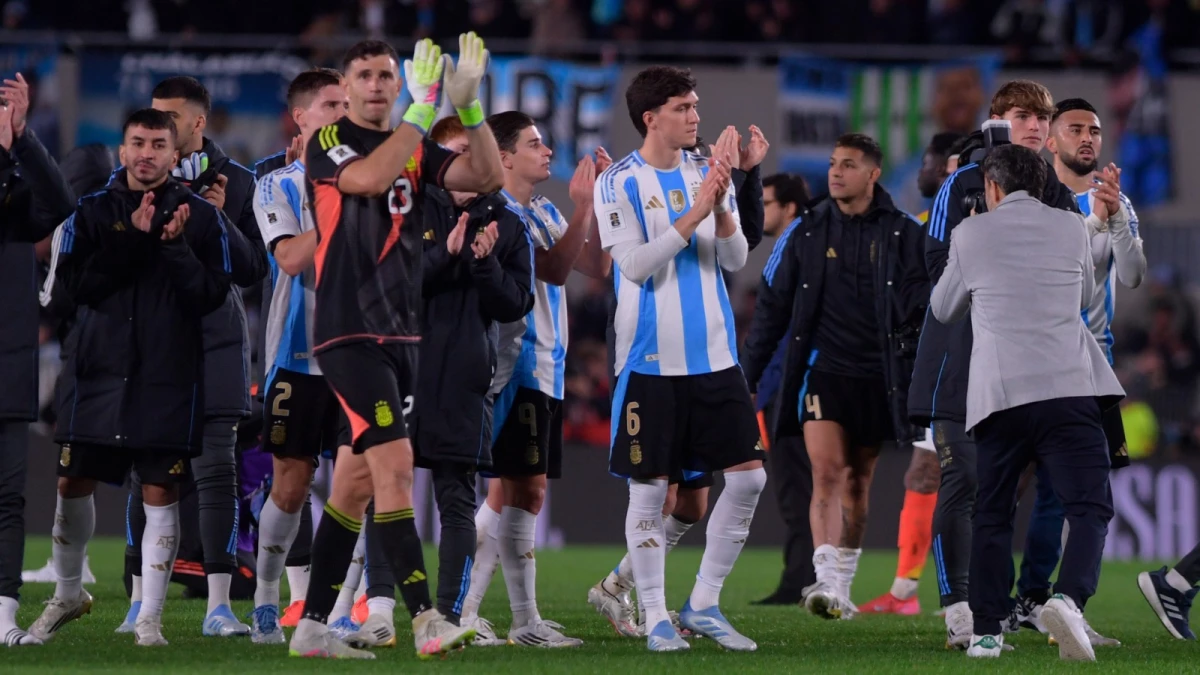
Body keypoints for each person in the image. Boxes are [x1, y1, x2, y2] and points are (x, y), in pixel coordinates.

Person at [286, 35, 504, 660]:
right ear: (347, 87)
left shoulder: (414, 140)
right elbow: (371, 178)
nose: (379, 85)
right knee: (397, 469)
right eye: (367, 75)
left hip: (403, 335)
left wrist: (469, 111)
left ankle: (312, 629)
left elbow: (486, 175)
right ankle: (426, 619)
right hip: (350, 330)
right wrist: (419, 110)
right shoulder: (331, 142)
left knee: (354, 487)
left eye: (388, 74)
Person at [29, 108, 235, 647]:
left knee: (160, 489)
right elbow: (73, 294)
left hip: (167, 376)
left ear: (175, 154)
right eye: (137, 143)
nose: (146, 153)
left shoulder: (201, 218)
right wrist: (133, 239)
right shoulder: (89, 214)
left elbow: (212, 296)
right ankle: (68, 592)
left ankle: (150, 620)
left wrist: (172, 247)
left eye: (158, 144)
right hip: (97, 372)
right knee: (71, 483)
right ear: (122, 151)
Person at [929, 143, 1123, 661]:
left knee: (992, 512)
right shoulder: (1069, 226)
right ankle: (1068, 598)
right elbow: (1084, 298)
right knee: (1089, 507)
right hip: (1068, 388)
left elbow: (943, 308)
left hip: (1001, 396)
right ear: (1040, 184)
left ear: (992, 187)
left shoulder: (970, 233)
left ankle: (988, 632)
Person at [908, 80, 1082, 647]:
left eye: (1042, 117)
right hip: (962, 358)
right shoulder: (962, 181)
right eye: (1023, 115)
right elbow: (935, 264)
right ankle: (958, 603)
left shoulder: (1054, 189)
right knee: (968, 478)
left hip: (1028, 361)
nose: (1035, 125)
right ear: (997, 119)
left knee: (1013, 488)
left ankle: (1006, 605)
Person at [598, 65, 766, 653]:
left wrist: (722, 203)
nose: (697, 116)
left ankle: (703, 603)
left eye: (696, 106)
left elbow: (735, 258)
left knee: (749, 481)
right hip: (651, 360)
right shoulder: (617, 182)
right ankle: (656, 617)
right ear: (652, 118)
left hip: (717, 358)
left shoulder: (705, 169)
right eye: (685, 107)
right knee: (650, 495)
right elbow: (636, 266)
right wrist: (695, 209)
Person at [353, 114, 535, 649]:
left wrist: (482, 266)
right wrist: (447, 254)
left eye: (470, 156)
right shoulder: (406, 208)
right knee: (388, 491)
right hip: (403, 369)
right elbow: (389, 286)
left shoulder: (508, 223)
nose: (464, 167)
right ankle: (380, 611)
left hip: (463, 376)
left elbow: (516, 304)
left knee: (456, 500)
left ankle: (450, 615)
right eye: (454, 155)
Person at [741, 133, 928, 622]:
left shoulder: (904, 233)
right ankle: (823, 580)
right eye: (832, 163)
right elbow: (772, 312)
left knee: (856, 485)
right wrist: (747, 378)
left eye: (848, 164)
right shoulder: (804, 232)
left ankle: (841, 584)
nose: (836, 172)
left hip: (878, 377)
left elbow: (926, 308)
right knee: (824, 471)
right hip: (823, 371)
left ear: (873, 174)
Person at [119, 75, 270, 638]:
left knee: (217, 472)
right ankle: (138, 600)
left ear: (198, 122)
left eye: (172, 118)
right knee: (145, 471)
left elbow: (257, 266)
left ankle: (220, 606)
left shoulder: (242, 183)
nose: (159, 128)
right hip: (153, 343)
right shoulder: (132, 180)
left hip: (215, 340)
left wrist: (219, 219)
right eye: (152, 117)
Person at [1009, 97, 1143, 647]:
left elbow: (1131, 276)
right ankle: (1000, 602)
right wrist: (1095, 223)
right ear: (1053, 139)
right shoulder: (1042, 202)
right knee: (1011, 485)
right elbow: (1075, 287)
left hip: (1096, 365)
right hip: (1038, 357)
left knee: (1063, 493)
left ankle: (1039, 602)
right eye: (1075, 129)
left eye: (1094, 130)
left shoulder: (1116, 200)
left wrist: (1115, 223)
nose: (1088, 138)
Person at [247, 68, 349, 645]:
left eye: (347, 103)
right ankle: (266, 597)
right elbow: (288, 259)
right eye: (331, 104)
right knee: (290, 485)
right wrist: (338, 207)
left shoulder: (370, 180)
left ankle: (333, 611)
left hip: (359, 357)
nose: (342, 112)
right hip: (297, 354)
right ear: (302, 118)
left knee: (354, 484)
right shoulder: (278, 185)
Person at [862, 131, 963, 616]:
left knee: (963, 476)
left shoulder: (948, 225)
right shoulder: (922, 223)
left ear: (949, 167)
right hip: (937, 366)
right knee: (926, 472)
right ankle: (907, 591)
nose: (920, 170)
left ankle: (962, 591)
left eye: (926, 160)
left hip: (964, 366)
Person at [0, 73, 76, 647]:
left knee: (8, 496)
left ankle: (2, 617)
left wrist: (24, 140)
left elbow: (62, 204)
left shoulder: (14, 195)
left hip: (8, 360)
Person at [748, 171, 816, 608]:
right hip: (805, 380)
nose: (760, 211)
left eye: (766, 202)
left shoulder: (792, 245)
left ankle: (800, 579)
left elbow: (776, 327)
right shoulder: (810, 243)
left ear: (789, 208)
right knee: (817, 484)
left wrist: (755, 380)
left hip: (787, 384)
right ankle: (812, 575)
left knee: (797, 487)